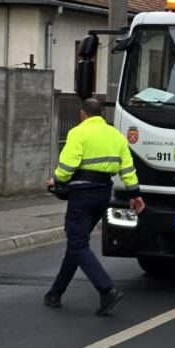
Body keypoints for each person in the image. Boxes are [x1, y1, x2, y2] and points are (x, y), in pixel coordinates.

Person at [45, 98, 145, 316]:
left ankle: (106, 289)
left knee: (78, 242)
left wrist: (56, 180)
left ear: (83, 114)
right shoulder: (115, 136)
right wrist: (135, 194)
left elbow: (67, 165)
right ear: (101, 114)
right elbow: (127, 168)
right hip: (102, 195)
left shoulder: (78, 133)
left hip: (81, 195)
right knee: (77, 243)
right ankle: (55, 292)